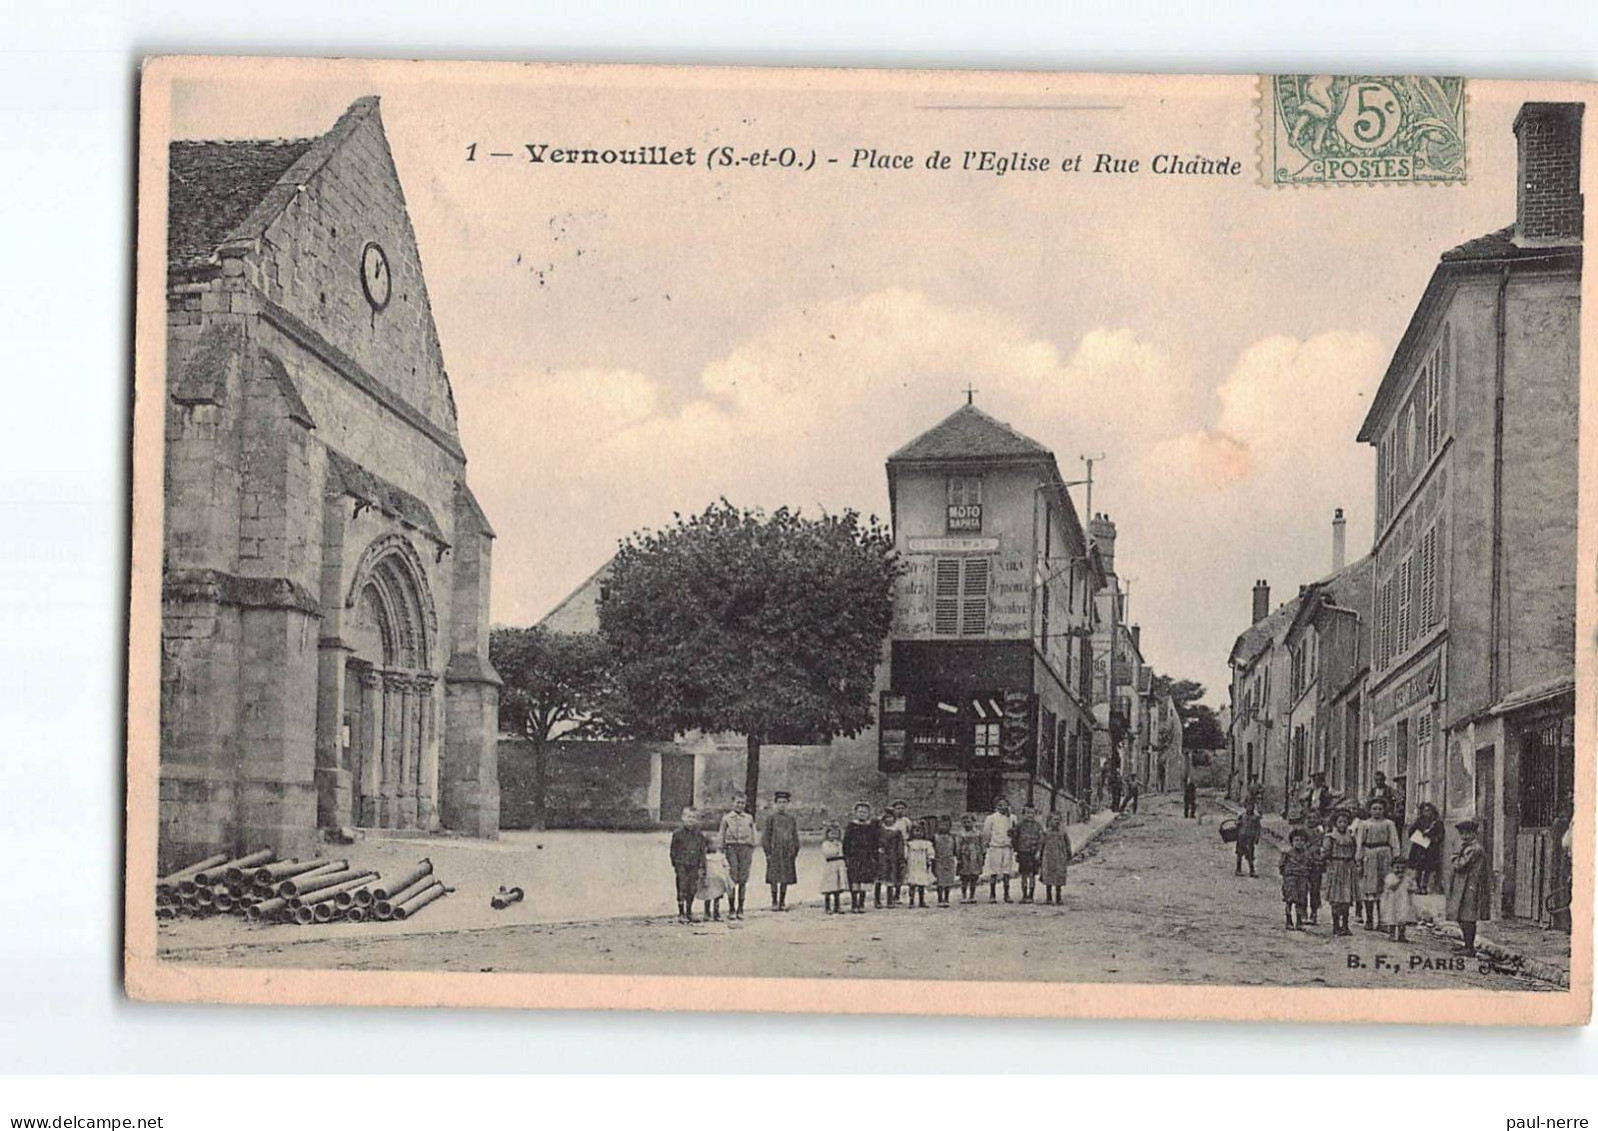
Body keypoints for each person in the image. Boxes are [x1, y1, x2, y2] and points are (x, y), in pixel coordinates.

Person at [1446, 818, 1493, 955]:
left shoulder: (1474, 849)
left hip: (1471, 887)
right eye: (1462, 834)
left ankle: (1469, 947)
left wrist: (1454, 856)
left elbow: (1460, 865)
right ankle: (1467, 944)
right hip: (1464, 886)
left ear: (1474, 834)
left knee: (1468, 917)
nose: (1465, 836)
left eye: (1468, 833)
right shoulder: (1467, 847)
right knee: (1462, 916)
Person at [1355, 796, 1399, 930]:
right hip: (1369, 854)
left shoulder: (1389, 824)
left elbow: (1394, 841)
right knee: (1369, 888)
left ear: (1384, 810)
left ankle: (1382, 922)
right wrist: (1359, 858)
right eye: (1374, 809)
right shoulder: (1365, 824)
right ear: (1370, 810)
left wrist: (1395, 857)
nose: (1377, 811)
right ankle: (1369, 920)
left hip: (1385, 855)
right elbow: (1359, 842)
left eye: (1380, 809)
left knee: (1383, 888)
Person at [718, 794, 757, 920]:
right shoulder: (727, 818)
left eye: (742, 803)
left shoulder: (749, 818)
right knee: (732, 877)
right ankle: (731, 908)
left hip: (745, 848)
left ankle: (741, 908)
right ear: (732, 803)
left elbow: (753, 834)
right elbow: (721, 835)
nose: (740, 805)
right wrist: (721, 850)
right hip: (731, 848)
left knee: (743, 878)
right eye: (737, 802)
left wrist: (751, 847)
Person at [761, 790, 801, 912]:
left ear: (788, 804)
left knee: (785, 877)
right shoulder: (771, 818)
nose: (782, 805)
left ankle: (782, 901)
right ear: (775, 804)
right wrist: (767, 852)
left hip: (787, 852)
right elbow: (766, 837)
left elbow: (795, 836)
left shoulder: (791, 819)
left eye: (784, 802)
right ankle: (774, 901)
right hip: (774, 852)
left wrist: (795, 850)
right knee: (774, 877)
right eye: (779, 802)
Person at [1323, 808, 1359, 936]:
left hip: (1348, 867)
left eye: (1345, 822)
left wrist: (1354, 863)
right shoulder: (1331, 837)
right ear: (1335, 823)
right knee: (1336, 898)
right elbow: (1326, 853)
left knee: (1346, 898)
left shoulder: (1351, 836)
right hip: (1336, 866)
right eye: (1340, 822)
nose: (1342, 824)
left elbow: (1355, 850)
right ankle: (1335, 925)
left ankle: (1345, 925)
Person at [669, 808, 707, 924]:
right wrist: (676, 864)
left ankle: (689, 911)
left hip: (694, 864)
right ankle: (681, 913)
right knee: (682, 887)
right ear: (683, 818)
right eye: (688, 817)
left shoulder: (699, 834)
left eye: (693, 817)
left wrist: (702, 865)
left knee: (692, 888)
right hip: (682, 865)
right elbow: (673, 851)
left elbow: (702, 850)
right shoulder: (677, 834)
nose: (691, 819)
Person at [842, 801, 879, 914]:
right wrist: (847, 857)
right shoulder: (851, 826)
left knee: (864, 881)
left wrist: (874, 856)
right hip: (854, 857)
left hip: (866, 857)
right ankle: (854, 904)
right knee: (854, 880)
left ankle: (861, 904)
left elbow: (874, 842)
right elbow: (846, 843)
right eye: (860, 812)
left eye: (865, 812)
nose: (862, 814)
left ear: (868, 813)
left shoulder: (871, 827)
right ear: (855, 813)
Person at [982, 798, 1017, 903]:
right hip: (995, 847)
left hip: (1007, 847)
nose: (1002, 807)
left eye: (1004, 804)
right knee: (994, 871)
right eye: (1000, 805)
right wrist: (987, 843)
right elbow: (986, 832)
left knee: (1007, 871)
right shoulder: (991, 818)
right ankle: (992, 895)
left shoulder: (1012, 817)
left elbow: (1014, 832)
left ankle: (1007, 894)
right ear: (996, 806)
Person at [1406, 801, 1444, 895]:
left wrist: (1432, 839)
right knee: (1418, 867)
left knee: (1428, 868)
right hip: (1419, 847)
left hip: (1430, 848)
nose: (1427, 813)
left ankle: (1424, 886)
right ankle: (1418, 886)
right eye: (1424, 811)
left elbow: (1440, 835)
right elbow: (1411, 832)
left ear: (1432, 811)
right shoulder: (1419, 821)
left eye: (1428, 810)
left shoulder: (1437, 822)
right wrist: (1417, 834)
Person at [1280, 827, 1314, 930]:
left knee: (1301, 901)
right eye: (1296, 840)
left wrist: (1307, 873)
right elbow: (1281, 866)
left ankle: (1299, 922)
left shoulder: (1307, 854)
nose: (1299, 843)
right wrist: (1287, 875)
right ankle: (1289, 920)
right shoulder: (1287, 853)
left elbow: (1310, 866)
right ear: (1292, 842)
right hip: (1290, 879)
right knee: (1289, 900)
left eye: (1302, 840)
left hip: (1302, 879)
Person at [1381, 857, 1419, 943]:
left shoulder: (1407, 878)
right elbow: (1391, 887)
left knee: (1402, 918)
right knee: (1392, 918)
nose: (1400, 870)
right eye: (1397, 868)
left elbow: (1414, 888)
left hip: (1403, 902)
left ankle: (1402, 935)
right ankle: (1392, 934)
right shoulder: (1390, 877)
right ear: (1392, 868)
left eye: (1403, 868)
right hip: (1392, 902)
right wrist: (1399, 880)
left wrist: (1412, 884)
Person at [1012, 805, 1046, 903]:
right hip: (1023, 853)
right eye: (1028, 813)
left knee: (1032, 874)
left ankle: (1031, 895)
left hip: (1033, 853)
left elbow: (1041, 840)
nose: (1030, 815)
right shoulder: (1019, 826)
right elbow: (1015, 838)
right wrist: (1016, 850)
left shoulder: (1038, 826)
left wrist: (1039, 851)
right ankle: (1024, 895)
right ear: (1023, 814)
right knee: (1023, 874)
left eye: (1032, 813)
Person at [1039, 811, 1073, 904]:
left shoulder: (1063, 832)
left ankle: (1058, 897)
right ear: (1049, 821)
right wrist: (1040, 855)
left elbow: (1067, 843)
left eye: (1058, 819)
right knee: (1048, 876)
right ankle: (1048, 897)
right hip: (1048, 857)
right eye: (1054, 819)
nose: (1056, 822)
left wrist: (1069, 853)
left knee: (1059, 876)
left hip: (1059, 856)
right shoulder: (1046, 832)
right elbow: (1041, 844)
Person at [876, 810, 906, 908]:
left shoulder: (897, 831)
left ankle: (890, 900)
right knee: (879, 878)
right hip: (881, 856)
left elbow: (900, 845)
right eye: (887, 818)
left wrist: (900, 857)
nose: (889, 820)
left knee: (890, 878)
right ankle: (877, 900)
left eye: (891, 817)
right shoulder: (879, 830)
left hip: (893, 856)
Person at [697, 840, 731, 921]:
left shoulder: (721, 856)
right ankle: (707, 913)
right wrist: (702, 876)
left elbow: (726, 866)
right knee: (708, 897)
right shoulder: (705, 857)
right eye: (711, 844)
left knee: (717, 898)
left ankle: (716, 913)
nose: (714, 846)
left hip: (718, 880)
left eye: (716, 844)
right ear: (707, 846)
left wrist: (725, 874)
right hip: (709, 879)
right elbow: (701, 867)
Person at [905, 820, 935, 909]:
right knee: (912, 883)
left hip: (922, 865)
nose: (918, 833)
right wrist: (905, 859)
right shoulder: (909, 844)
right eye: (916, 830)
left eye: (920, 831)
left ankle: (922, 901)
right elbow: (906, 854)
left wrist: (930, 859)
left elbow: (930, 852)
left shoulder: (926, 843)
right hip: (913, 865)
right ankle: (911, 901)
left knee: (921, 883)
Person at [819, 823, 847, 914]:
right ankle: (827, 907)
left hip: (839, 866)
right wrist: (835, 848)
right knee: (829, 887)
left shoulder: (840, 843)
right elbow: (828, 853)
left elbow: (843, 853)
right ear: (827, 834)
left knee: (837, 887)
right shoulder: (826, 844)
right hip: (830, 866)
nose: (834, 836)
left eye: (836, 834)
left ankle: (837, 906)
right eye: (831, 833)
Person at [932, 815, 959, 908]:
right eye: (941, 825)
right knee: (940, 880)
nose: (943, 827)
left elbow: (955, 849)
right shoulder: (935, 837)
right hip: (939, 860)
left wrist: (956, 857)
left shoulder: (952, 837)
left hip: (949, 860)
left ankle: (946, 898)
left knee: (948, 881)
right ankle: (940, 898)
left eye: (946, 825)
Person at [956, 813, 984, 903]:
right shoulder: (960, 834)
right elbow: (958, 845)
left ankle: (972, 895)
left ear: (973, 822)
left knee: (973, 876)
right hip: (965, 855)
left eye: (969, 822)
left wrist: (982, 856)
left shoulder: (978, 833)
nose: (967, 824)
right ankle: (964, 895)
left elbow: (981, 845)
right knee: (964, 876)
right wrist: (959, 856)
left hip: (975, 855)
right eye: (964, 822)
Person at [1305, 816, 1327, 925]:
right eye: (1309, 817)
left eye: (1314, 818)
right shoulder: (1301, 832)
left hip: (1316, 865)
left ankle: (1314, 913)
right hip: (1303, 864)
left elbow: (1324, 848)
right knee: (1302, 889)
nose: (1311, 820)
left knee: (1314, 890)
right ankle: (1302, 913)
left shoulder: (1321, 832)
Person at [1235, 800, 1262, 877]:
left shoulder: (1256, 818)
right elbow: (1237, 824)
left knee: (1250, 855)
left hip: (1250, 838)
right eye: (1248, 806)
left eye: (1251, 806)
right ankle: (1238, 869)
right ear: (1245, 807)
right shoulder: (1242, 816)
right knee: (1239, 854)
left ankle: (1252, 871)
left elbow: (1258, 828)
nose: (1249, 808)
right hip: (1241, 837)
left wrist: (1257, 838)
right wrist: (1237, 823)